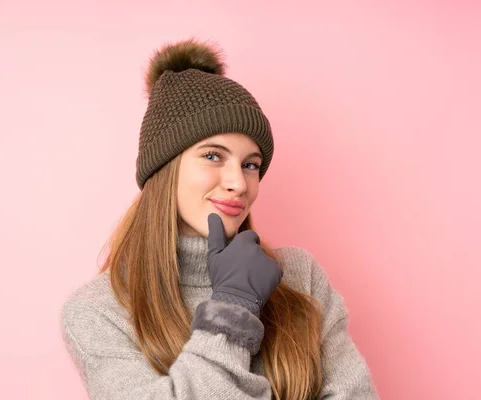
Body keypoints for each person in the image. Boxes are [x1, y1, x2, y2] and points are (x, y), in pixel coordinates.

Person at [60, 38, 378, 400]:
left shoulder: (300, 276)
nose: (238, 183)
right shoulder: (99, 311)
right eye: (213, 156)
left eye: (250, 165)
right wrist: (233, 309)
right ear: (165, 169)